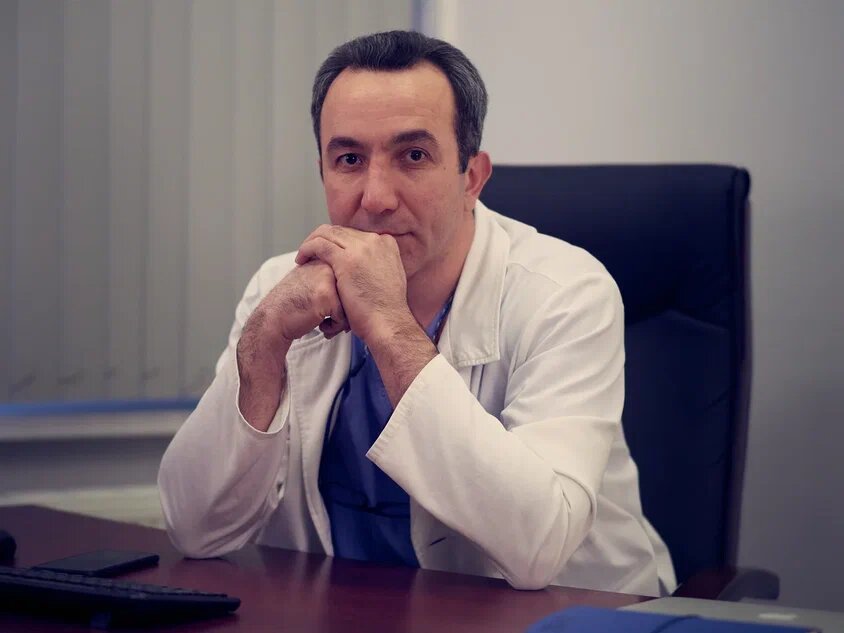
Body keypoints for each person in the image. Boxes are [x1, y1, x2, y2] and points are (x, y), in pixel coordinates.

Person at [158, 30, 675, 595]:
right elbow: (195, 530)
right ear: (324, 173)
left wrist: (388, 325)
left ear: (472, 177)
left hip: (576, 616)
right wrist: (262, 344)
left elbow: (539, 548)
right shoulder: (281, 290)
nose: (376, 197)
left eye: (413, 156)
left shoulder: (566, 293)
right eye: (349, 159)